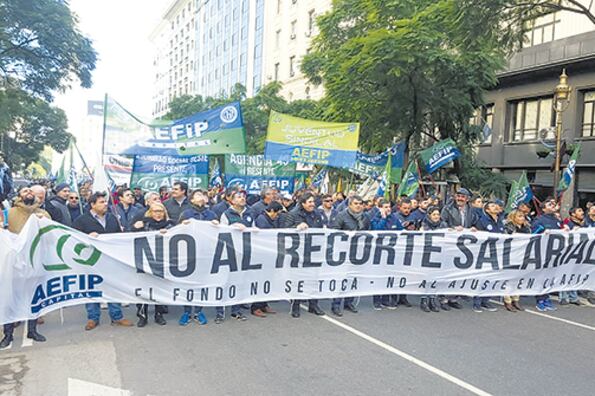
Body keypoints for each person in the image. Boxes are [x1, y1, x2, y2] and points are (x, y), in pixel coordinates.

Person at [72, 192, 133, 330]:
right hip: (91, 261)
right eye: (101, 202)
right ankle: (93, 318)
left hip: (110, 260)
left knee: (113, 287)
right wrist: (87, 237)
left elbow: (118, 237)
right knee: (92, 289)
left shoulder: (112, 218)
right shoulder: (82, 220)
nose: (105, 204)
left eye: (105, 201)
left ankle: (116, 316)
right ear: (92, 205)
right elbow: (74, 238)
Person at [0, 186, 49, 348]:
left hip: (35, 262)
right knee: (10, 298)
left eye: (30, 191)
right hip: (14, 265)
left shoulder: (42, 213)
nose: (28, 193)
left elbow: (51, 234)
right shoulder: (10, 213)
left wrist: (45, 223)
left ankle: (32, 330)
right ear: (19, 195)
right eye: (25, 191)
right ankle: (8, 334)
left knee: (33, 297)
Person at [178, 189, 218, 326]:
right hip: (189, 254)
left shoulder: (211, 214)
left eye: (204, 195)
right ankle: (187, 311)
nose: (202, 197)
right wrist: (182, 226)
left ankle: (199, 311)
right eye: (198, 195)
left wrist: (217, 226)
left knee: (202, 283)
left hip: (205, 253)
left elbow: (217, 233)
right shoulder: (186, 214)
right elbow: (177, 232)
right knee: (187, 282)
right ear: (192, 200)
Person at [281, 192, 326, 318]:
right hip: (299, 251)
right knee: (298, 279)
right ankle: (296, 304)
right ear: (303, 203)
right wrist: (297, 227)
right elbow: (286, 229)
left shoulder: (318, 214)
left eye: (313, 202)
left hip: (314, 251)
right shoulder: (293, 214)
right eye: (310, 202)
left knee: (314, 278)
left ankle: (313, 304)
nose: (313, 204)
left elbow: (321, 228)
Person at [132, 202, 174, 327]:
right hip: (144, 260)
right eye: (155, 211)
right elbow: (129, 237)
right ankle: (142, 315)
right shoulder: (144, 224)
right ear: (150, 212)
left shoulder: (170, 225)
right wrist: (135, 227)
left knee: (159, 288)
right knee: (143, 288)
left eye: (160, 211)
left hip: (162, 261)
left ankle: (158, 314)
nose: (158, 214)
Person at [215, 190, 254, 323]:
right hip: (229, 253)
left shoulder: (249, 213)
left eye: (243, 196)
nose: (242, 198)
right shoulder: (226, 214)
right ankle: (220, 312)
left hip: (245, 252)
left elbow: (254, 229)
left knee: (238, 282)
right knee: (224, 281)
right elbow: (222, 231)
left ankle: (236, 310)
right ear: (231, 200)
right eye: (238, 197)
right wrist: (234, 226)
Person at [330, 195, 370, 316]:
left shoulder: (365, 217)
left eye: (360, 203)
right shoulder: (341, 216)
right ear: (350, 205)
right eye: (356, 203)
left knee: (353, 278)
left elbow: (369, 232)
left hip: (358, 253)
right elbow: (334, 231)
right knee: (341, 278)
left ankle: (349, 302)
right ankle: (336, 304)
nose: (359, 206)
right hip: (344, 252)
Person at [438, 188, 476, 310]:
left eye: (462, 197)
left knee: (459, 272)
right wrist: (453, 228)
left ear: (467, 199)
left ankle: (453, 298)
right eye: (458, 196)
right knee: (447, 272)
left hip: (463, 245)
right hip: (450, 244)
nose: (460, 199)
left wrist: (473, 228)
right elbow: (441, 223)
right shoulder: (447, 208)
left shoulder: (471, 210)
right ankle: (443, 298)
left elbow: (473, 222)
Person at [251, 201, 284, 317]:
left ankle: (263, 304)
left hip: (269, 255)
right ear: (271, 211)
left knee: (267, 280)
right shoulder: (262, 220)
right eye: (277, 213)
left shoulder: (269, 220)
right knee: (260, 280)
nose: (278, 216)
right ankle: (256, 306)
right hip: (261, 255)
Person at [371, 199, 403, 310]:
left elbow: (401, 231)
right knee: (379, 277)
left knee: (389, 276)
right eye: (385, 207)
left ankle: (385, 300)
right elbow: (377, 230)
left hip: (391, 253)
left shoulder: (394, 218)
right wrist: (383, 218)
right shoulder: (375, 218)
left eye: (389, 206)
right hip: (379, 253)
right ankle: (377, 300)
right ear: (380, 208)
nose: (388, 209)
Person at [471, 200, 503, 313]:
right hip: (484, 254)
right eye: (492, 206)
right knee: (482, 277)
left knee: (492, 277)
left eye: (496, 205)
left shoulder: (499, 221)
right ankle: (477, 301)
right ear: (487, 210)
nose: (495, 207)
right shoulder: (483, 221)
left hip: (496, 253)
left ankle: (486, 300)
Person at [531, 198, 562, 311]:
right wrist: (543, 233)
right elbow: (533, 234)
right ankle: (540, 299)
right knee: (541, 276)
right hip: (542, 252)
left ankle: (547, 297)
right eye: (550, 204)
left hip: (554, 253)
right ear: (544, 209)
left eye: (554, 204)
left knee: (550, 276)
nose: (553, 205)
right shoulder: (539, 220)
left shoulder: (556, 220)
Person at [419, 207, 448, 312]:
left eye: (438, 214)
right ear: (429, 215)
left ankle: (432, 300)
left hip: (439, 255)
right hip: (427, 255)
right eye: (434, 214)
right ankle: (424, 300)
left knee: (436, 278)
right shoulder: (424, 225)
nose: (436, 216)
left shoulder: (443, 225)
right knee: (427, 278)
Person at [503, 209, 530, 312]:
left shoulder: (527, 228)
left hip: (522, 255)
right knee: (509, 278)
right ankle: (507, 300)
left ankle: (516, 299)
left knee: (518, 278)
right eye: (519, 216)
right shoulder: (508, 227)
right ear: (513, 217)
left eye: (523, 216)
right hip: (511, 254)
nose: (522, 218)